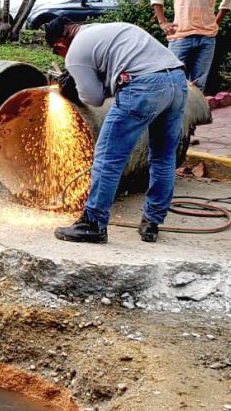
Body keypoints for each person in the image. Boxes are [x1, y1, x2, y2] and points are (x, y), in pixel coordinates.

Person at [47, 18, 188, 244]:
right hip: (178, 82)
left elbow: (93, 98)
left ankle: (93, 223)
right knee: (163, 157)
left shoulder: (74, 51)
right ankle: (152, 223)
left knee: (108, 159)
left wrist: (73, 90)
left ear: (60, 46)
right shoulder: (105, 29)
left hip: (143, 87)